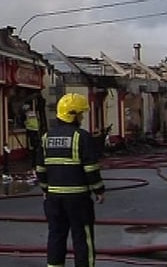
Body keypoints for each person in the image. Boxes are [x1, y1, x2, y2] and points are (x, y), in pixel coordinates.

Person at [36, 93, 105, 267]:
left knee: (56, 237)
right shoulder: (81, 137)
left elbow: (40, 169)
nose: (82, 117)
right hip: (78, 198)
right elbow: (91, 168)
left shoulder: (46, 138)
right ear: (72, 115)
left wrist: (45, 190)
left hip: (53, 199)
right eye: (80, 114)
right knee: (82, 239)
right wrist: (98, 190)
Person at [24, 104, 40, 173]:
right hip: (36, 131)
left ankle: (33, 165)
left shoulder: (26, 114)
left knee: (32, 149)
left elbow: (24, 121)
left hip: (30, 132)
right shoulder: (33, 113)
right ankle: (36, 163)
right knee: (35, 149)